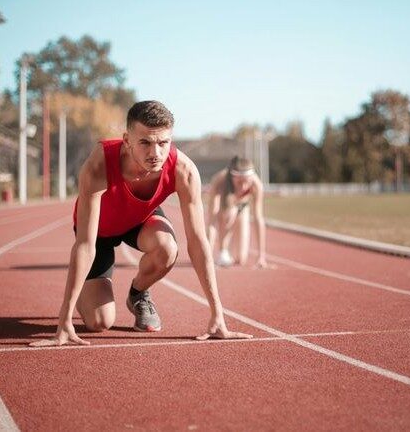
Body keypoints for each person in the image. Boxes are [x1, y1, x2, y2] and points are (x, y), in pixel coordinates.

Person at [30, 101, 252, 347]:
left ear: (171, 139)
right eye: (145, 142)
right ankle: (85, 290)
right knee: (99, 322)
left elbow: (199, 243)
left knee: (167, 247)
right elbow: (85, 244)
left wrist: (217, 315)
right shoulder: (99, 164)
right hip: (99, 232)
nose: (155, 153)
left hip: (140, 221)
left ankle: (138, 294)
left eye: (163, 143)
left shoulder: (184, 171)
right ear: (127, 140)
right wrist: (64, 321)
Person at [205, 156, 270, 268]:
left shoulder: (256, 185)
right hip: (224, 208)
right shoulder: (219, 181)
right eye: (239, 182)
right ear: (232, 177)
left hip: (243, 207)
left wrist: (261, 257)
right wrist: (207, 256)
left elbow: (258, 219)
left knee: (240, 259)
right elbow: (212, 220)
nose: (243, 186)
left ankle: (230, 253)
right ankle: (223, 251)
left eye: (247, 182)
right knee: (229, 214)